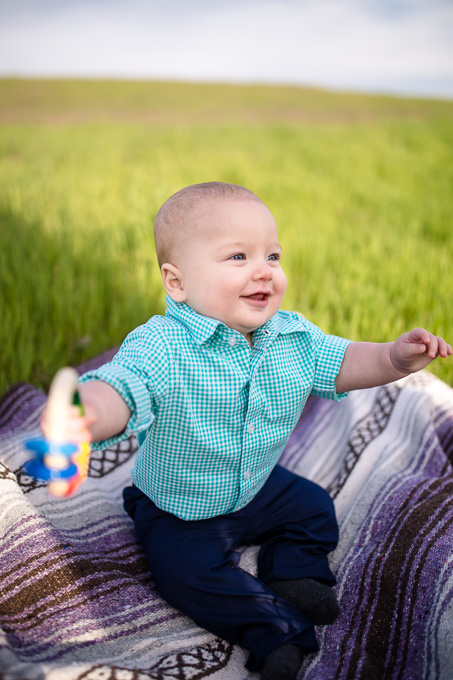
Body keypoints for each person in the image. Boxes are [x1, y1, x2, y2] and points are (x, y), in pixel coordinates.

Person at [42, 182, 452, 679]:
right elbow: (124, 388)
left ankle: (294, 571)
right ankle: (274, 630)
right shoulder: (163, 346)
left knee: (314, 509)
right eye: (238, 256)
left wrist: (392, 357)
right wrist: (87, 412)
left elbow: (344, 361)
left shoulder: (292, 336)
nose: (264, 270)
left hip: (256, 485)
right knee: (186, 576)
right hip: (179, 506)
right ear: (177, 283)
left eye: (273, 255)